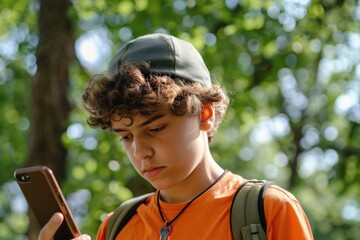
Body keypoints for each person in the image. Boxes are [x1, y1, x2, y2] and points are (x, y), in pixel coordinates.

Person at [39, 33, 314, 240]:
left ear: (205, 114)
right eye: (125, 136)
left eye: (155, 129)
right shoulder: (117, 226)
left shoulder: (268, 212)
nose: (140, 152)